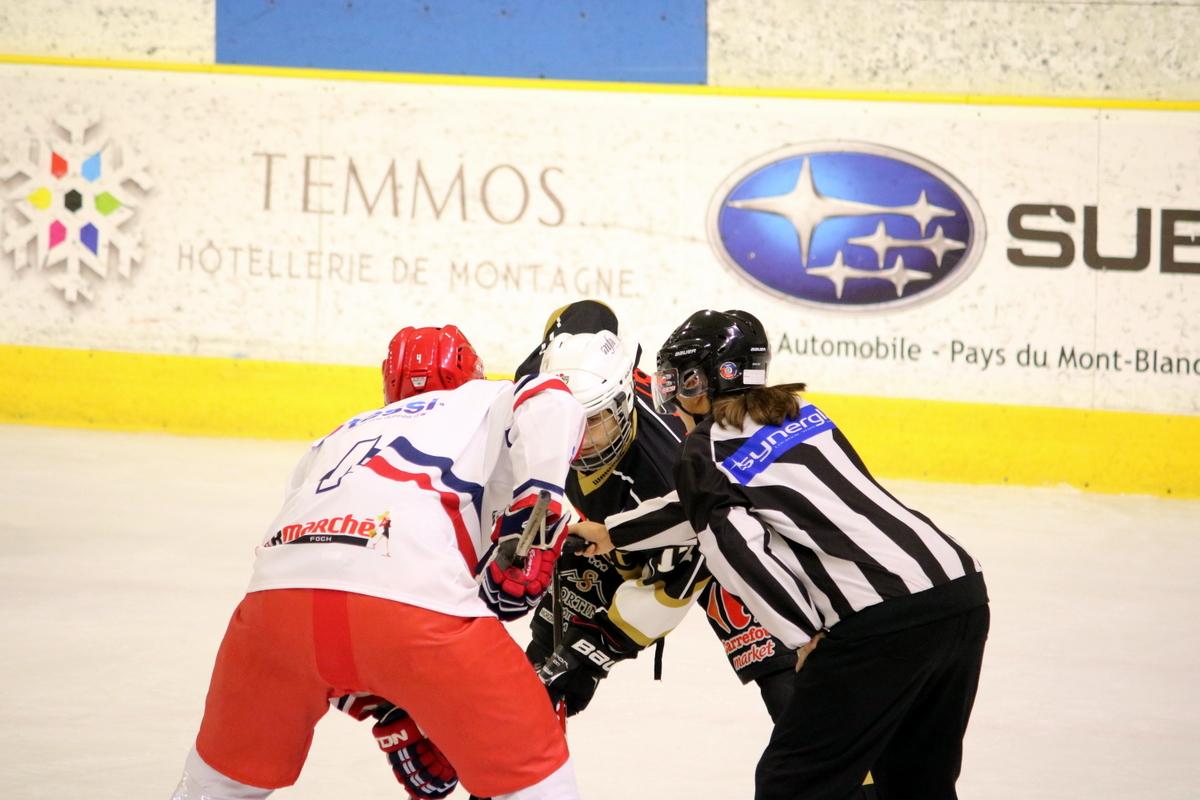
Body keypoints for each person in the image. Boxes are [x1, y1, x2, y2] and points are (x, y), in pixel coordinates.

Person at [170, 325, 587, 800]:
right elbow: (554, 398)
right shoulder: (487, 398)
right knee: (536, 781)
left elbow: (322, 574)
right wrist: (541, 505)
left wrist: (387, 711)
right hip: (416, 611)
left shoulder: (340, 433)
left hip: (272, 614)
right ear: (472, 372)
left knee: (217, 787)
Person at [613, 308, 989, 800]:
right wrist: (614, 531)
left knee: (790, 785)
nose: (674, 400)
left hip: (881, 622)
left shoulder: (703, 449)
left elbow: (735, 548)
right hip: (958, 592)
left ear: (706, 382)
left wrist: (803, 636)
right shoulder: (801, 414)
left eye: (681, 383)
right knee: (917, 783)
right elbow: (718, 502)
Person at [515, 301, 798, 722]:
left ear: (622, 400)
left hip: (700, 533)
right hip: (611, 528)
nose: (575, 440)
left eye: (593, 420)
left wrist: (597, 649)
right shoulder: (543, 389)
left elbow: (676, 586)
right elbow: (590, 314)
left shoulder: (670, 470)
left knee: (776, 663)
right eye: (567, 419)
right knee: (535, 670)